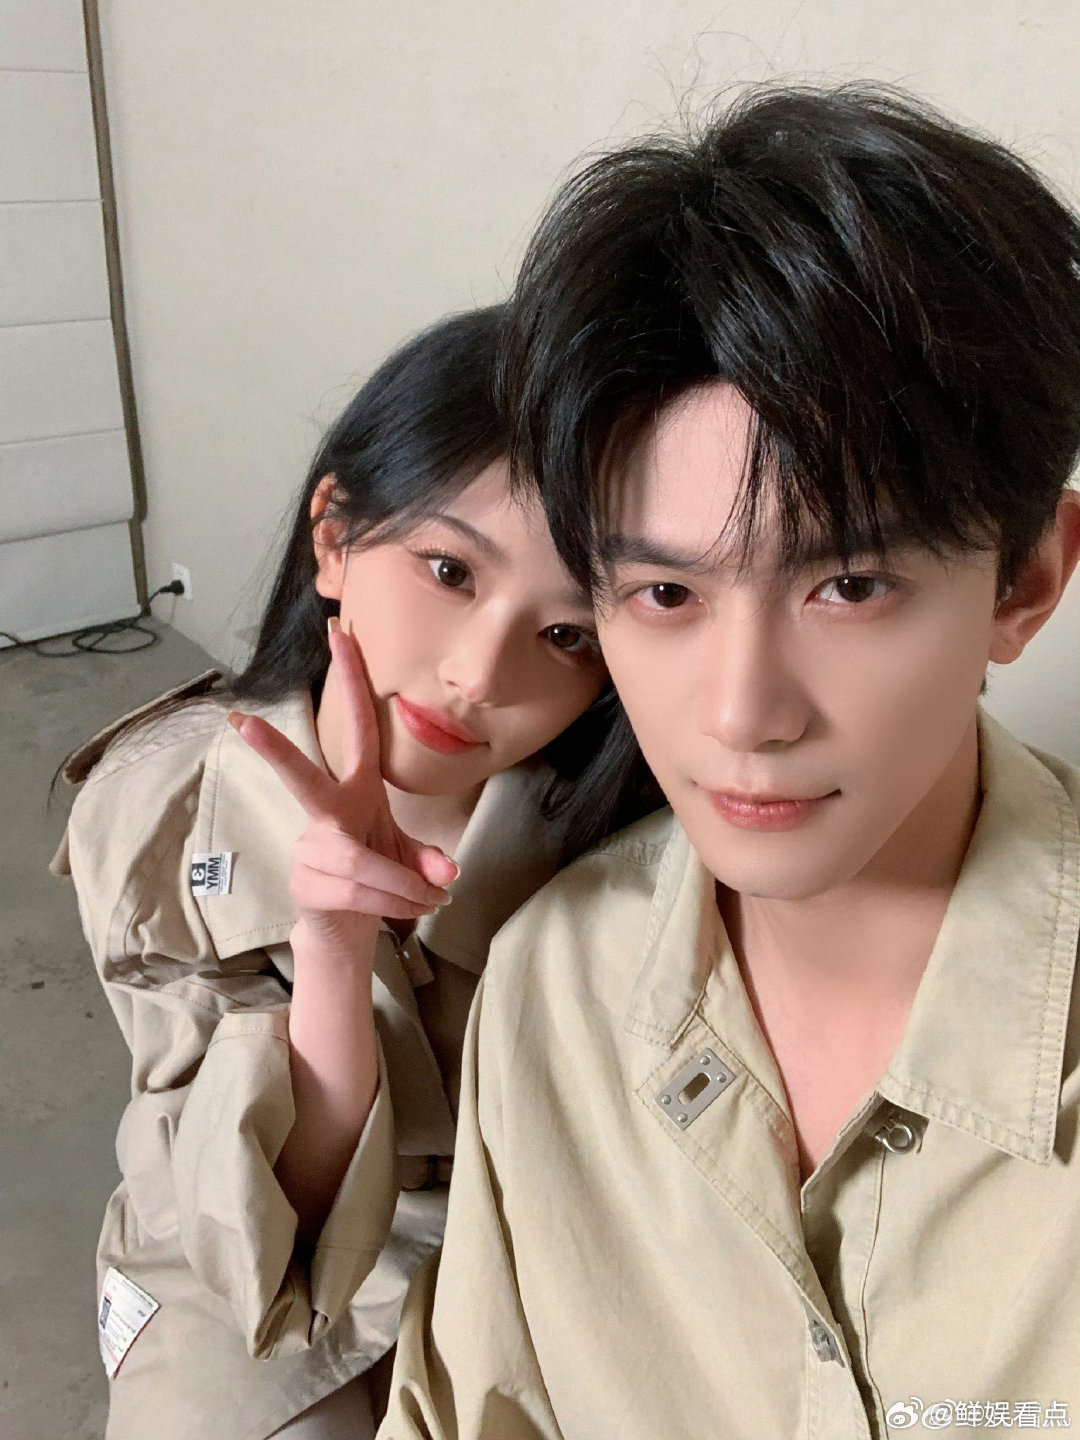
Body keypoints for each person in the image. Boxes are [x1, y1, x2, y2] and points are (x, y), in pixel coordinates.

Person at [378, 88, 1080, 1439]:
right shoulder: (556, 984)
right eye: (665, 595)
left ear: (1027, 580)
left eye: (850, 586)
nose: (744, 713)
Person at [52, 305, 656, 1440]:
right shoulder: (161, 812)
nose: (479, 673)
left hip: (530, 1252)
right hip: (234, 1251)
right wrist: (332, 949)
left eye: (568, 635)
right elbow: (260, 1220)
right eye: (449, 570)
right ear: (334, 537)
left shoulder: (622, 846)